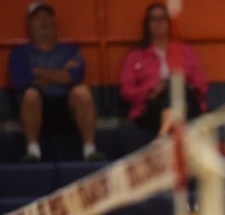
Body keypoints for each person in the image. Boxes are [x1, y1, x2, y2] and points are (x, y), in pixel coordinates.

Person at [8, 2, 103, 162]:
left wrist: (39, 71)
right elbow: (22, 82)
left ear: (54, 21)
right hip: (37, 110)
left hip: (67, 109)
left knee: (82, 92)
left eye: (47, 17)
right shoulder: (20, 53)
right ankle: (33, 151)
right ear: (30, 24)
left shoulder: (70, 50)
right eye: (38, 18)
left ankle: (90, 150)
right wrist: (61, 73)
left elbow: (75, 76)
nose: (44, 21)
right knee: (30, 94)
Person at [120, 2, 208, 137]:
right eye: (154, 19)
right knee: (168, 98)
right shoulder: (135, 56)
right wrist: (151, 90)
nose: (159, 23)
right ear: (147, 24)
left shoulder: (185, 51)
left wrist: (183, 84)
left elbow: (201, 85)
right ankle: (171, 130)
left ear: (169, 22)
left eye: (162, 19)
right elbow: (126, 91)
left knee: (175, 86)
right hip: (151, 105)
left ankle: (164, 132)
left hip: (185, 99)